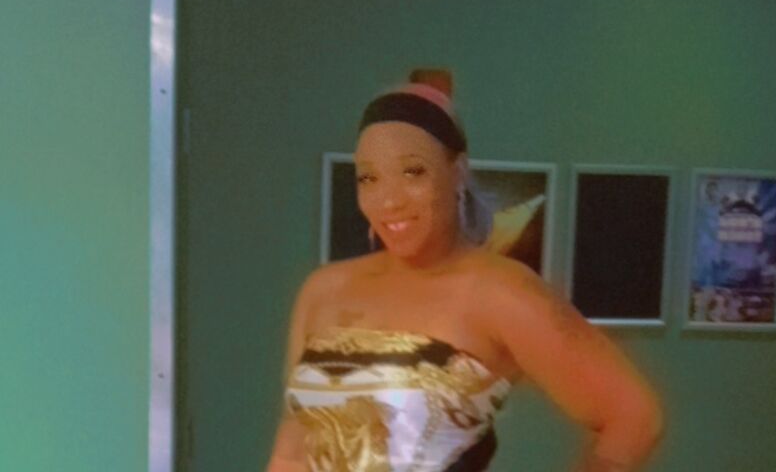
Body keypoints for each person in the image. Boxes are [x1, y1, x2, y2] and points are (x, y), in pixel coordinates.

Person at [266, 74, 664, 472]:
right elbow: (291, 452)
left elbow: (634, 417)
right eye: (369, 177)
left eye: (413, 171)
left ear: (457, 172)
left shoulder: (499, 291)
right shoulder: (323, 290)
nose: (388, 200)